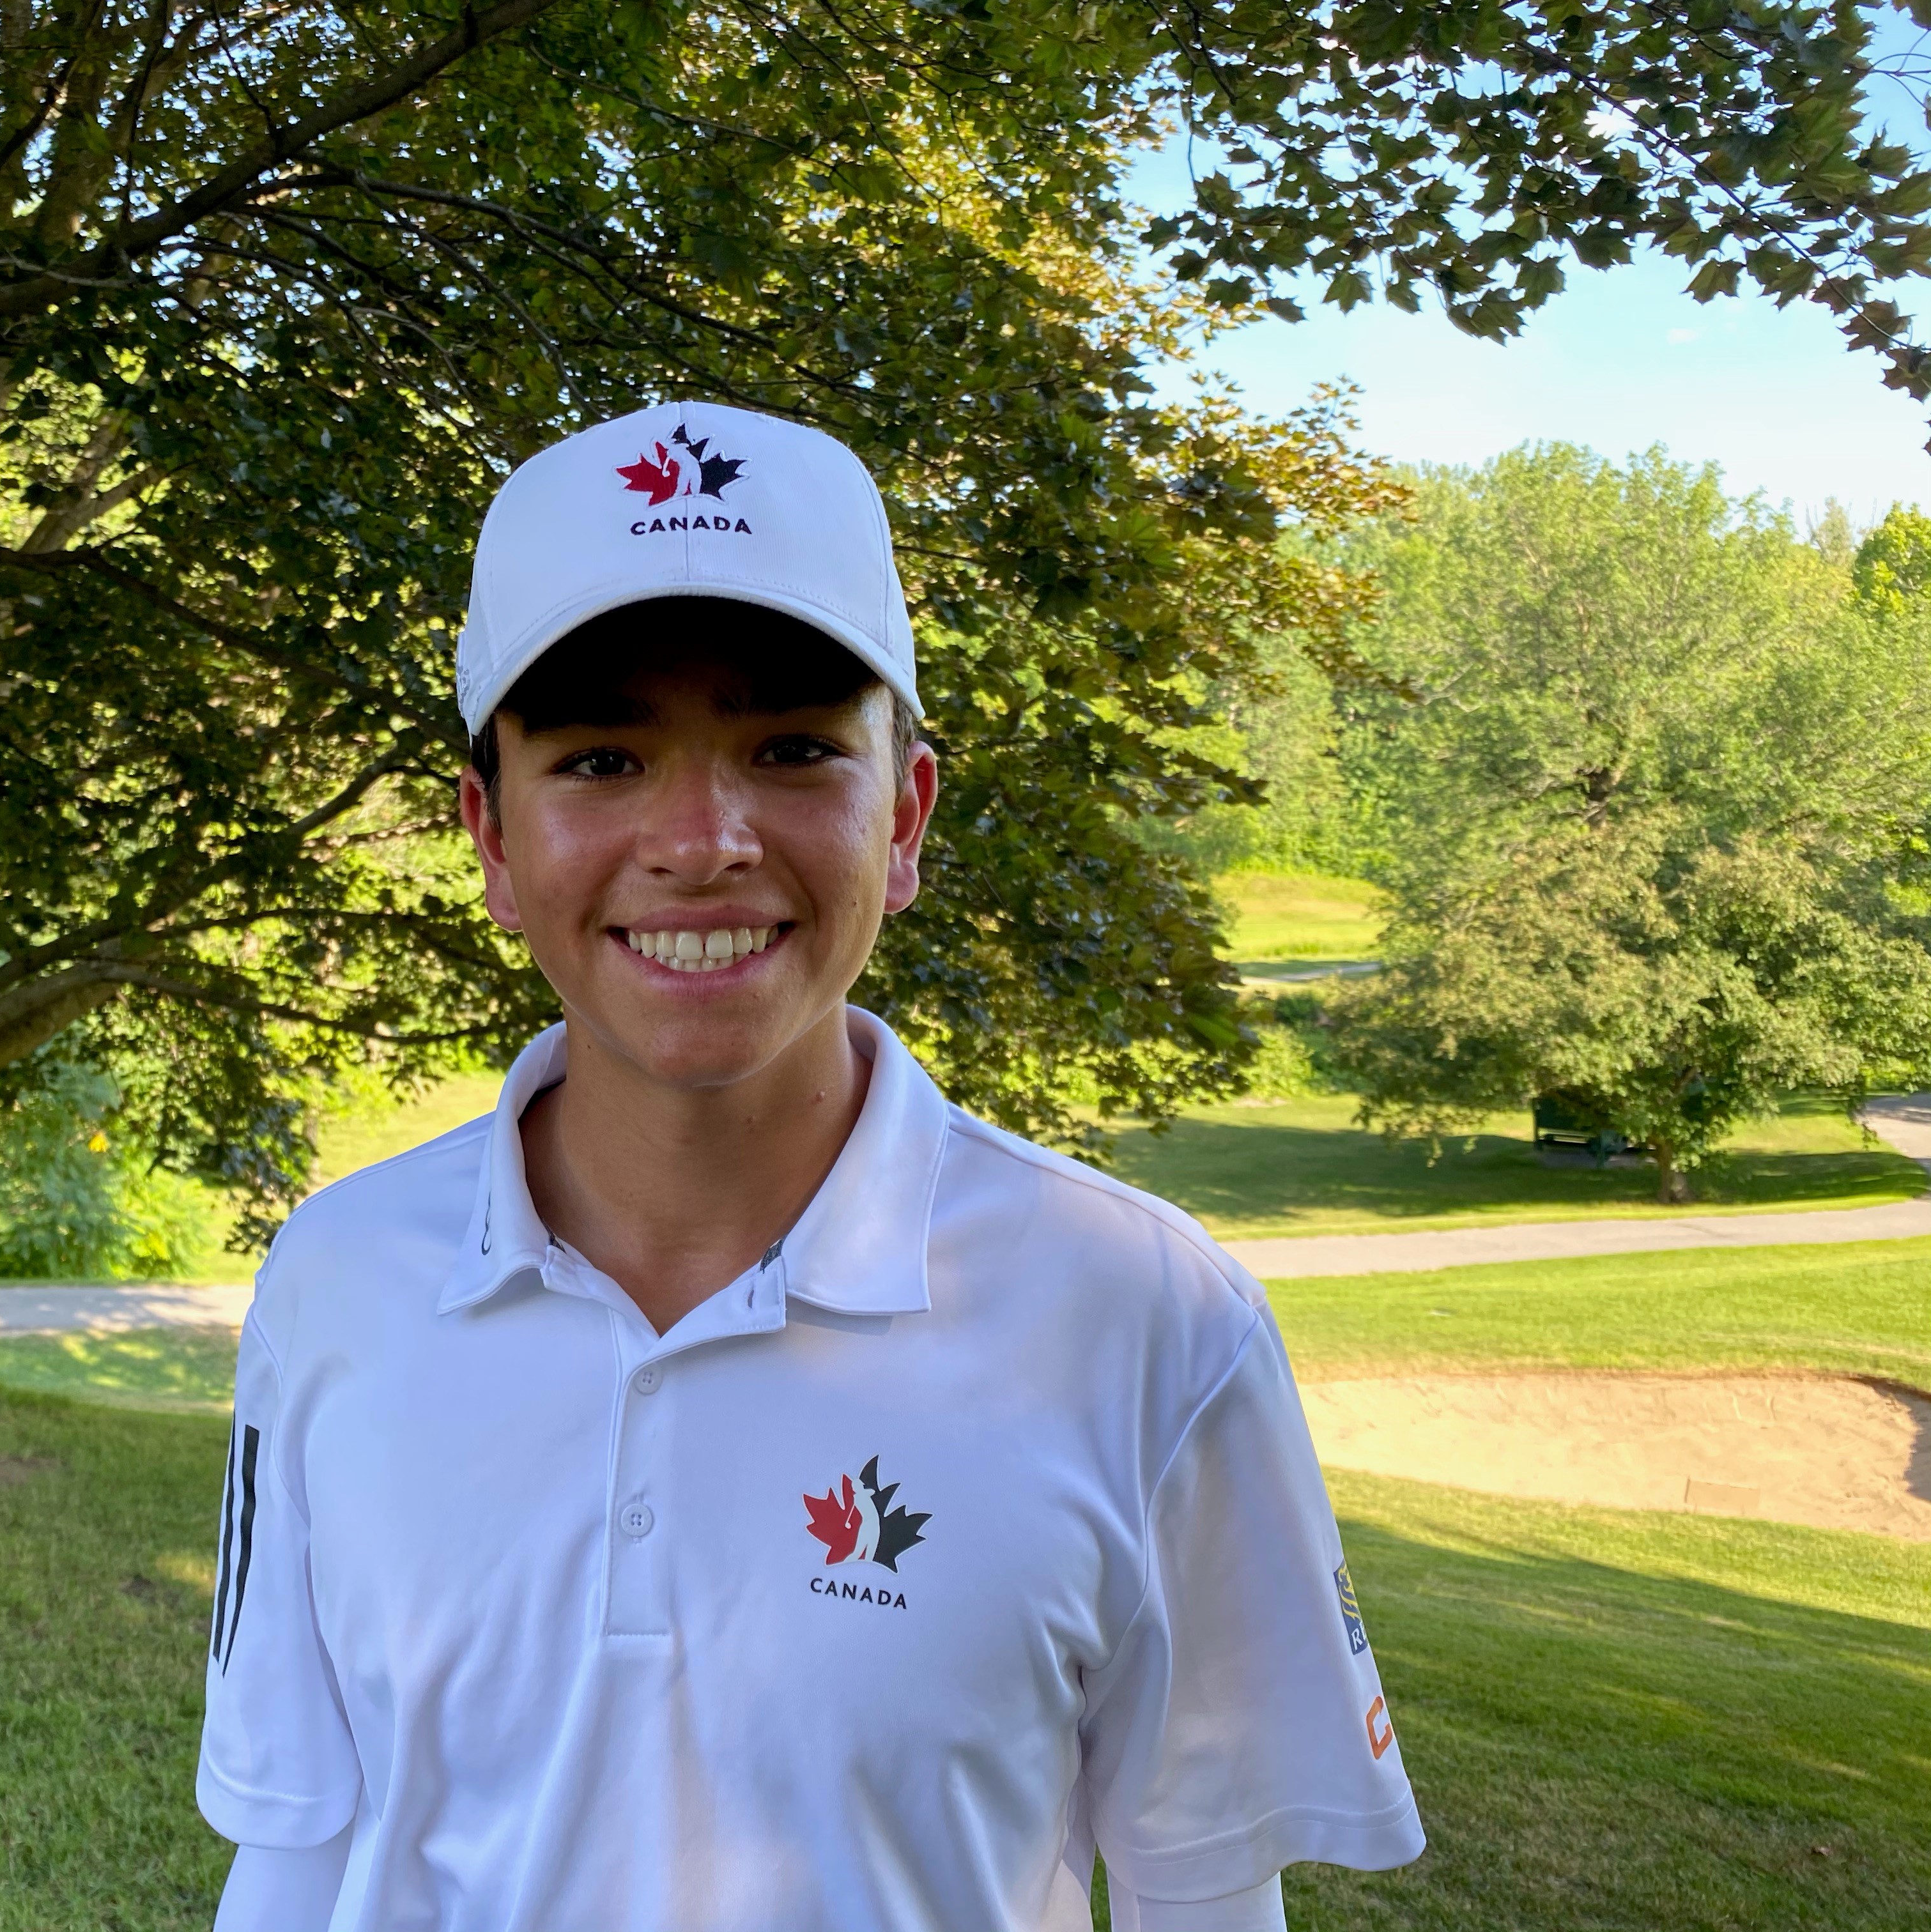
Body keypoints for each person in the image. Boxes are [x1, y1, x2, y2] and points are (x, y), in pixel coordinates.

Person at [196, 401, 1424, 1931]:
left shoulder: (1147, 1317)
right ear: (492, 838)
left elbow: (1201, 1896)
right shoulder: (338, 1283)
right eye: (599, 757)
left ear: (902, 817)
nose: (700, 838)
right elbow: (300, 1848)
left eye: (790, 749)